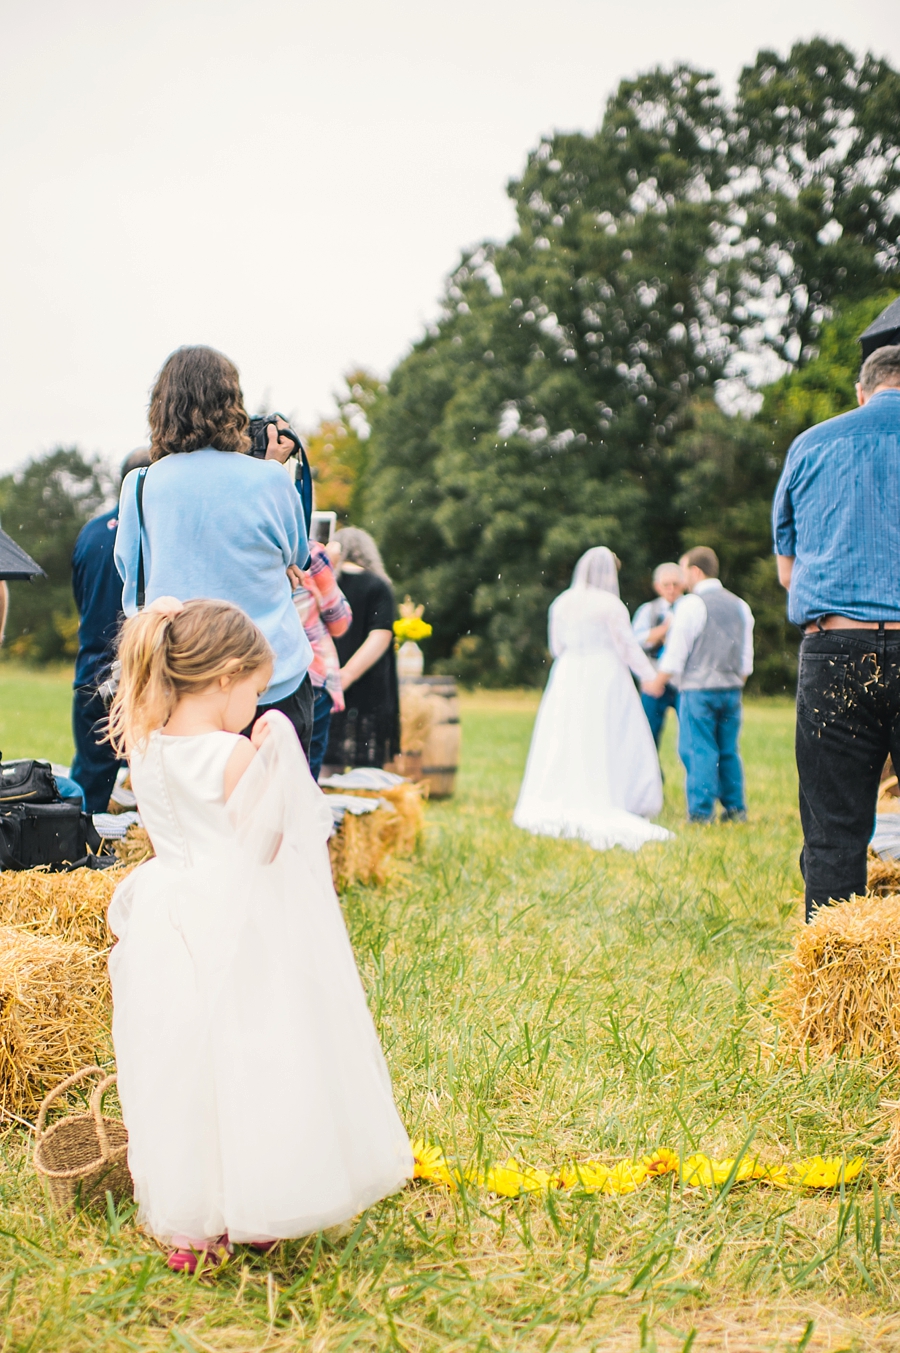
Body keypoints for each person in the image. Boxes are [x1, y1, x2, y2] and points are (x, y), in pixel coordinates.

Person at [106, 597, 413, 1273]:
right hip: (236, 920)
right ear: (224, 679)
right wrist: (278, 762)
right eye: (254, 689)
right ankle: (261, 1199)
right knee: (256, 1056)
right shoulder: (233, 756)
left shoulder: (146, 749)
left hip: (168, 913)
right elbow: (267, 848)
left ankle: (193, 1224)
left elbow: (161, 838)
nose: (255, 704)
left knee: (181, 1068)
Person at [114, 346, 315, 752]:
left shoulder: (140, 485)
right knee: (274, 811)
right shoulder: (270, 481)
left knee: (188, 811)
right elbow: (298, 556)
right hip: (269, 680)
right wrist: (275, 465)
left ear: (163, 406)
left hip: (182, 685)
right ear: (232, 404)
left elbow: (131, 573)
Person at [772, 341, 900, 921]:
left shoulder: (811, 444)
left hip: (833, 648)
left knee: (833, 831)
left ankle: (833, 997)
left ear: (862, 389)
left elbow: (786, 570)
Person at [513, 547, 672, 852]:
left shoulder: (561, 602)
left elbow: (556, 646)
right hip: (605, 674)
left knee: (564, 735)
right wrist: (648, 677)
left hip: (568, 674)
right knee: (608, 734)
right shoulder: (610, 605)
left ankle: (560, 792)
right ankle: (618, 796)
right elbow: (626, 646)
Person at [643, 547, 754, 824]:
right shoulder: (740, 604)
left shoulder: (691, 604)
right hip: (731, 690)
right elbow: (746, 659)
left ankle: (701, 813)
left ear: (695, 571)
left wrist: (657, 683)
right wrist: (732, 681)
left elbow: (676, 653)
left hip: (697, 689)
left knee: (699, 748)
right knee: (728, 749)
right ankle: (735, 810)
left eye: (683, 571)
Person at [70, 449, 152, 811]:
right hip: (137, 676)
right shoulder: (152, 534)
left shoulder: (90, 532)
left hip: (90, 671)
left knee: (89, 783)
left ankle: (73, 853)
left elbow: (81, 597)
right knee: (155, 783)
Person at [324, 528, 400, 771]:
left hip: (326, 680)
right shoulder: (378, 586)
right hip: (369, 686)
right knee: (366, 766)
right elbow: (380, 635)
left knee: (326, 758)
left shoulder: (325, 585)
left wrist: (337, 676)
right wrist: (349, 674)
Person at [292, 539, 352, 780]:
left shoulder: (244, 545)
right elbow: (339, 622)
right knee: (305, 775)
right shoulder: (309, 552)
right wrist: (330, 565)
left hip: (255, 675)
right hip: (311, 674)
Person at [632, 562, 685, 747]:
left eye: (675, 584)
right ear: (657, 587)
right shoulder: (648, 610)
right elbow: (635, 641)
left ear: (683, 584)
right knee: (648, 734)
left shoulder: (690, 608)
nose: (671, 589)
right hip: (654, 678)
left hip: (683, 680)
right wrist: (663, 631)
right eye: (666, 585)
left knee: (689, 734)